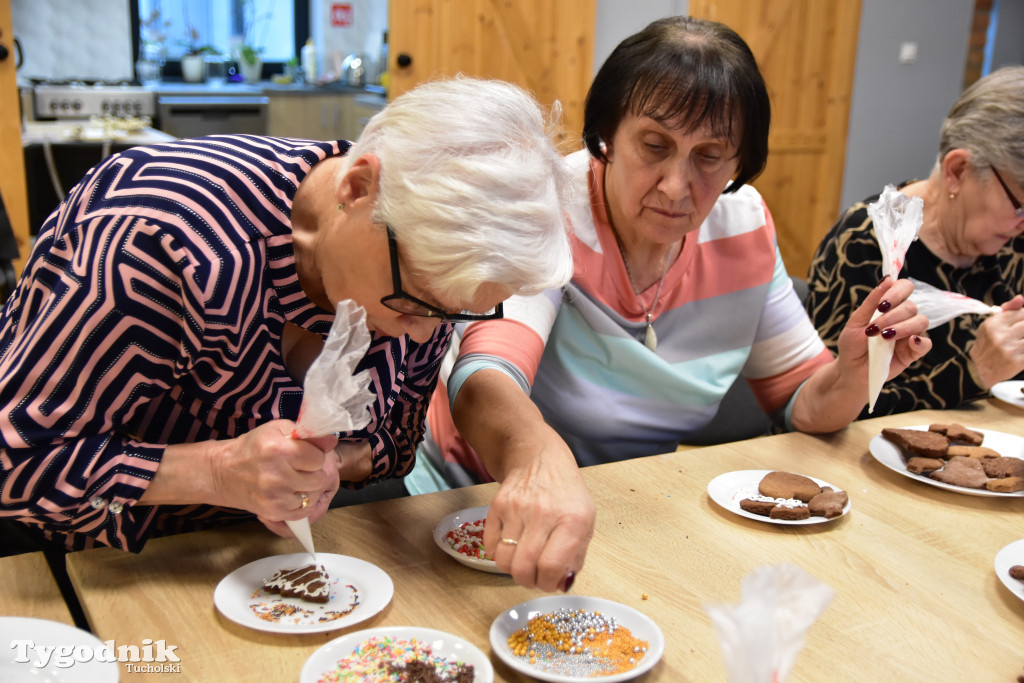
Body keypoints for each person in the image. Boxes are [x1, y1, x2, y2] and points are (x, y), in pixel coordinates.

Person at [407, 16, 931, 589]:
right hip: (477, 508)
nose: (677, 186)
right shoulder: (551, 207)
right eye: (654, 146)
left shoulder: (744, 224)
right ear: (606, 136)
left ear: (739, 162)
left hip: (635, 509)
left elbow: (801, 404)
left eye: (710, 156)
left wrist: (854, 373)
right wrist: (536, 458)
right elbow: (486, 376)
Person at [0, 76, 575, 581]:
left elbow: (396, 445)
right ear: (356, 188)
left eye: (454, 315)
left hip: (266, 560)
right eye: (416, 302)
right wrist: (216, 472)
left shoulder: (427, 265)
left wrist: (319, 467)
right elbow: (14, 463)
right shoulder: (156, 237)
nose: (424, 337)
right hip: (80, 564)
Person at [806, 66, 1024, 416]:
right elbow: (831, 406)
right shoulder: (868, 244)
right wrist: (975, 371)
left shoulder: (1012, 247)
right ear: (957, 171)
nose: (1022, 225)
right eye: (1020, 206)